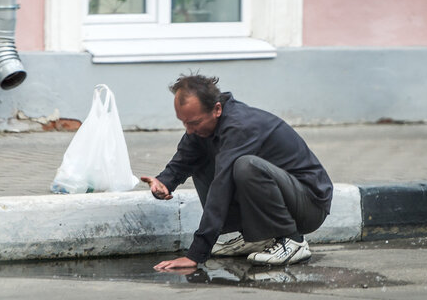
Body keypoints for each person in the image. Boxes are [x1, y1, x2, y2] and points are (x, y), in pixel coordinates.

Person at [141, 74, 333, 270]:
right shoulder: (203, 127)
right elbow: (184, 159)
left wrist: (197, 253)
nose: (188, 130)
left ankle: (294, 242)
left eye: (194, 123)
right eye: (184, 123)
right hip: (287, 198)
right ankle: (257, 237)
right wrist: (164, 182)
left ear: (217, 109)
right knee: (200, 161)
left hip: (310, 204)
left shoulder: (239, 126)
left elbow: (221, 186)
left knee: (245, 166)